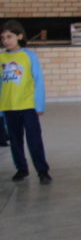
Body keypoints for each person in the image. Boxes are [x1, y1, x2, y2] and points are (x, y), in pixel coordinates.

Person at [0, 20, 50, 184]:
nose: (6, 40)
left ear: (19, 36)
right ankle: (21, 168)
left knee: (34, 139)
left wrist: (39, 104)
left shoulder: (29, 55)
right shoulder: (1, 57)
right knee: (15, 140)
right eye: (3, 37)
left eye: (9, 36)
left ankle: (42, 170)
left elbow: (38, 80)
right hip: (8, 106)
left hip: (28, 106)